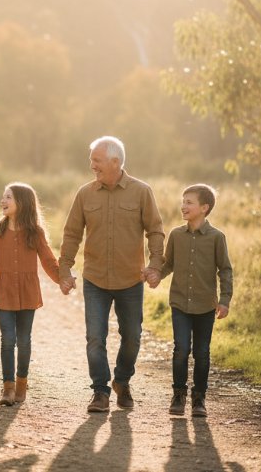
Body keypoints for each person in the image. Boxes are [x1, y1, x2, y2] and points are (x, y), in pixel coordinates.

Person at [58, 136, 165, 413]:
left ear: (115, 162)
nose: (91, 165)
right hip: (95, 279)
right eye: (92, 159)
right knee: (95, 337)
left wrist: (155, 266)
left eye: (97, 160)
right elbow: (71, 234)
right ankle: (100, 391)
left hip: (130, 278)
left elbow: (155, 230)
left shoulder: (142, 192)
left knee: (133, 336)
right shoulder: (85, 194)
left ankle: (122, 380)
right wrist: (64, 268)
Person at [0, 182, 68, 406]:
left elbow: (48, 260)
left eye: (9, 197)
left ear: (22, 203)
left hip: (27, 293)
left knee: (24, 340)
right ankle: (7, 389)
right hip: (4, 292)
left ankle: (21, 384)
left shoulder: (35, 232)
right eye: (3, 196)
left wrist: (61, 279)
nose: (3, 201)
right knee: (8, 339)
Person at [159, 184, 233, 418]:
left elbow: (225, 270)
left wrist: (225, 300)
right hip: (180, 302)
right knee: (181, 349)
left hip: (204, 306)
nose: (183, 206)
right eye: (183, 201)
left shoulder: (216, 238)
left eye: (189, 202)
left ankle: (199, 398)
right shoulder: (176, 235)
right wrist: (153, 275)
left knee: (202, 353)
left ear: (204, 207)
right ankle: (178, 394)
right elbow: (168, 264)